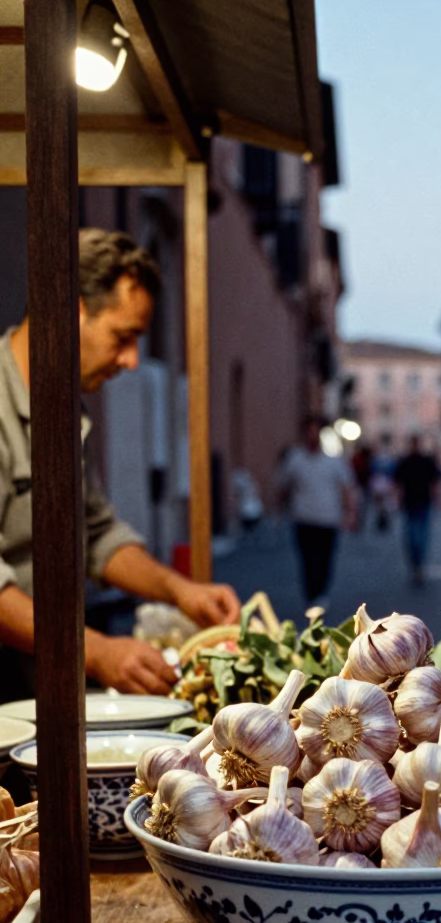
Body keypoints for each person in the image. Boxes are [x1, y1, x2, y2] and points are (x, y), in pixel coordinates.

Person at [0, 228, 240, 700]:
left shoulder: (65, 411)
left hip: (35, 685)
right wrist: (94, 651)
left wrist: (180, 591)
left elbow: (97, 537)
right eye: (123, 337)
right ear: (71, 312)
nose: (131, 361)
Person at [279, 415, 357, 607]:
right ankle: (311, 594)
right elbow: (284, 487)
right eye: (309, 431)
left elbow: (346, 488)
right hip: (303, 518)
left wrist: (350, 513)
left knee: (324, 559)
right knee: (307, 559)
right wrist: (282, 509)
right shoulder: (295, 460)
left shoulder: (333, 462)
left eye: (315, 431)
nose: (312, 435)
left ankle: (320, 593)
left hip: (328, 519)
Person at [393, 434, 441, 585]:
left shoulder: (425, 461)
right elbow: (398, 484)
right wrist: (398, 500)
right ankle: (416, 564)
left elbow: (434, 483)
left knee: (419, 536)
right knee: (414, 536)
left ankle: (418, 565)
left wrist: (437, 500)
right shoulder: (406, 461)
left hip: (422, 503)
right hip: (411, 503)